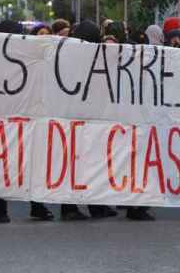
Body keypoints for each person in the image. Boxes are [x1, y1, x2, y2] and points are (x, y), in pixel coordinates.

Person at [0, 20, 54, 223]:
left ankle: (32, 206)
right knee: (6, 165)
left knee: (29, 163)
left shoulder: (27, 56)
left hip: (27, 117)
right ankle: (4, 208)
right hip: (7, 118)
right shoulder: (3, 58)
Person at [58, 21, 118, 221]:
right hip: (87, 118)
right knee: (90, 163)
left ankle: (84, 206)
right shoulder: (94, 58)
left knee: (78, 163)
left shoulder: (67, 56)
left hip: (75, 118)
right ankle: (80, 207)